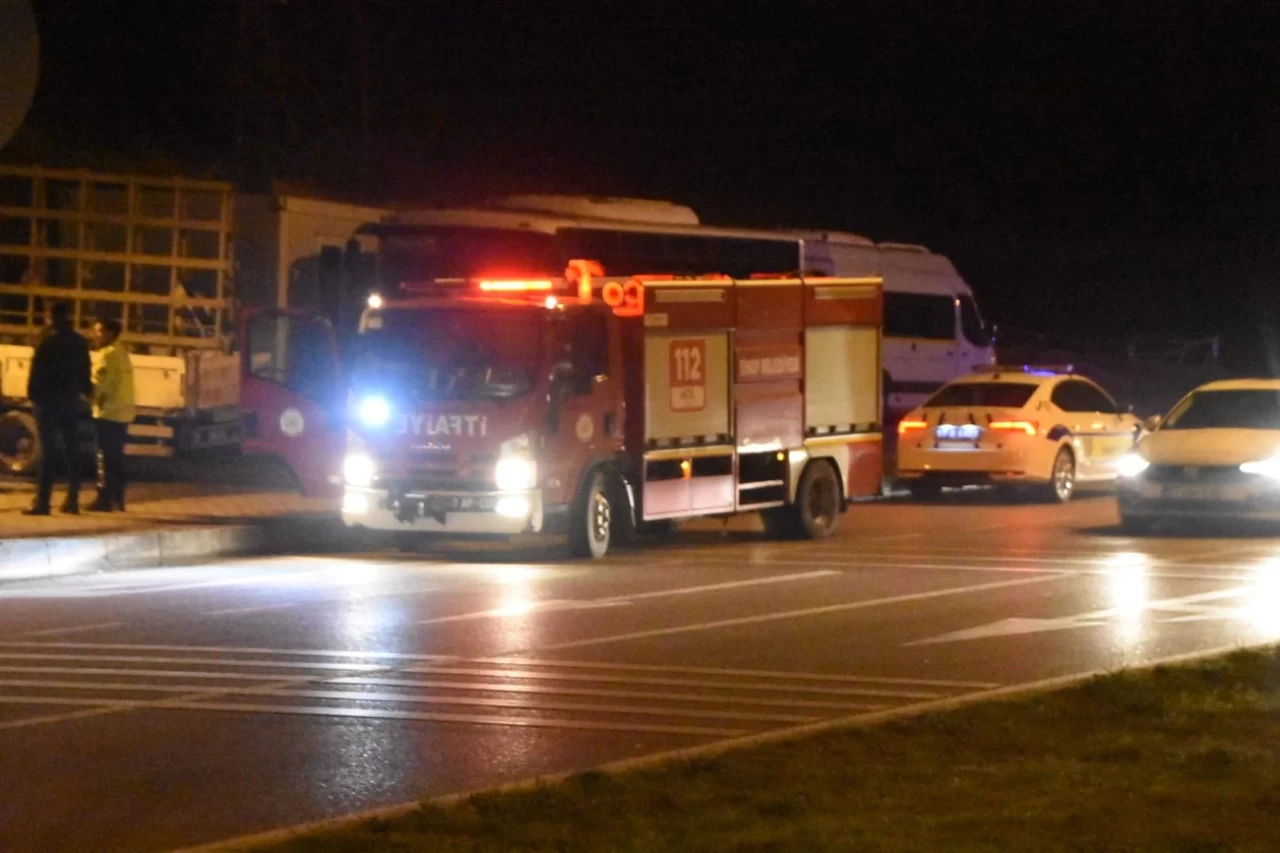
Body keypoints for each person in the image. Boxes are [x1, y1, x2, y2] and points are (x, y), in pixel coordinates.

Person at [24, 301, 92, 515]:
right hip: (70, 401)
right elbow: (85, 371)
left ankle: (42, 502)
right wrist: (83, 393)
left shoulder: (46, 339)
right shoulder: (80, 341)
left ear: (49, 316)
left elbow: (37, 371)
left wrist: (33, 395)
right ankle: (72, 499)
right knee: (72, 449)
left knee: (48, 451)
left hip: (48, 401)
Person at [88, 318, 136, 512]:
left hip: (108, 413)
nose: (95, 335)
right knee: (116, 457)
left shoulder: (106, 356)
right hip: (123, 413)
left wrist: (85, 398)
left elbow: (99, 386)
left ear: (109, 333)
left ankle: (104, 499)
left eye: (99, 331)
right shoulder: (122, 352)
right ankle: (118, 498)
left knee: (104, 457)